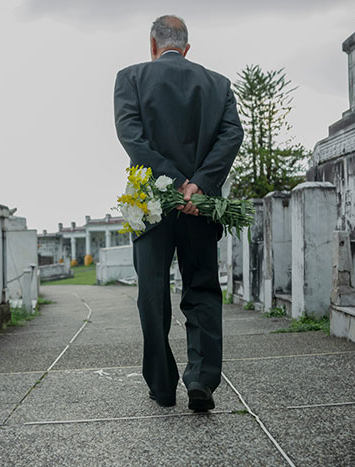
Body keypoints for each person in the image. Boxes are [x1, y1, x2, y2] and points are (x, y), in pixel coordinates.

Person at [114, 15, 243, 411]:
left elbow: (131, 136)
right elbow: (232, 134)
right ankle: (202, 379)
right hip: (200, 206)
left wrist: (171, 183)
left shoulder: (130, 78)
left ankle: (163, 385)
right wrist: (198, 184)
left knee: (152, 293)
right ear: (187, 47)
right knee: (202, 288)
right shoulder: (219, 84)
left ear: (152, 44)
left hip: (150, 204)